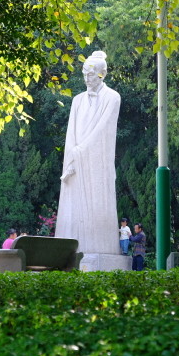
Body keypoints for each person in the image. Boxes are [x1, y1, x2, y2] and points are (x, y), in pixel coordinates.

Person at [55, 51, 121, 254]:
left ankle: (99, 247)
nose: (86, 78)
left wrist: (81, 151)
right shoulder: (77, 100)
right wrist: (71, 160)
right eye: (84, 74)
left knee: (96, 201)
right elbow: (71, 132)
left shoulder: (112, 98)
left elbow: (102, 128)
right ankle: (68, 250)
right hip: (75, 159)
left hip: (97, 160)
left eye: (90, 74)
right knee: (73, 205)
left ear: (102, 74)